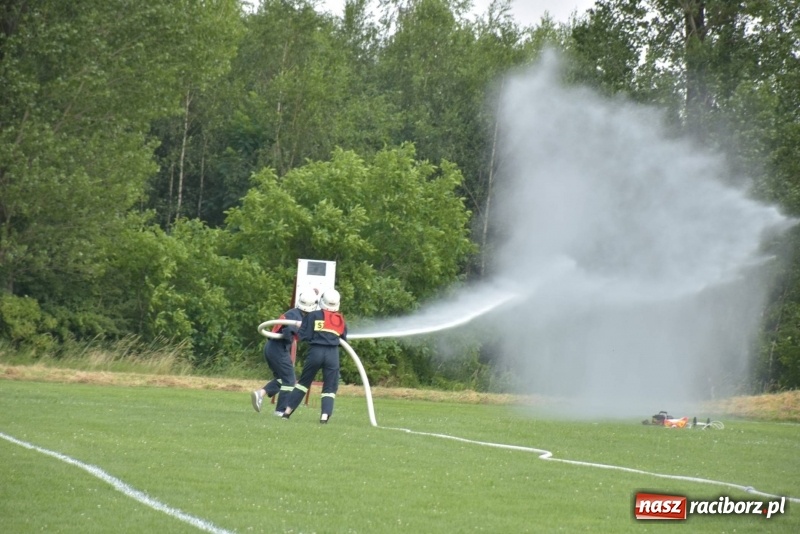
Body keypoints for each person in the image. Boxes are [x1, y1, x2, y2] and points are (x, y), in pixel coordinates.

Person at [281, 288, 347, 424]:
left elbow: (304, 336)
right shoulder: (340, 319)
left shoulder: (314, 315)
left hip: (315, 352)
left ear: (322, 301)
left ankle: (286, 413)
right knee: (330, 387)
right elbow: (343, 339)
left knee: (303, 383)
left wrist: (298, 327)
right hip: (332, 354)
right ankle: (324, 417)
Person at [251, 289, 318, 415]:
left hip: (273, 348)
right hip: (278, 349)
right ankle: (280, 411)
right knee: (289, 380)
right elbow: (288, 332)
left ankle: (260, 394)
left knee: (282, 378)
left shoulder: (295, 313)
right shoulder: (296, 316)